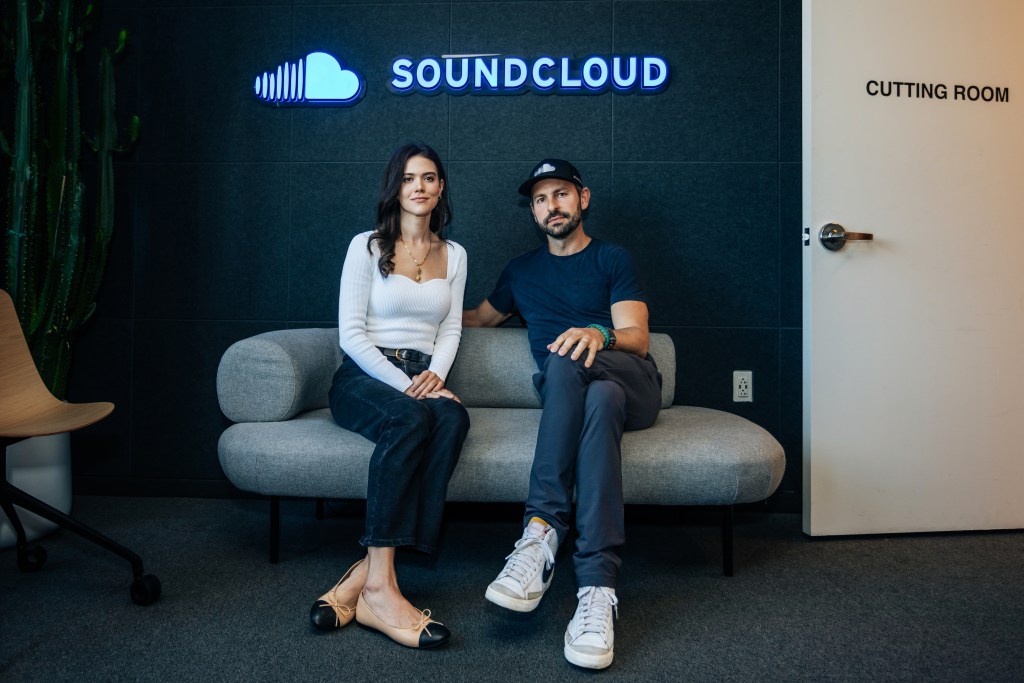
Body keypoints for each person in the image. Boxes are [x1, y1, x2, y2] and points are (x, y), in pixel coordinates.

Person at [463, 159, 662, 669]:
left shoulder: (612, 259)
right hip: (587, 395)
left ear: (583, 199)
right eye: (540, 199)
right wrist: (405, 313)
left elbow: (638, 340)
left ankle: (542, 528)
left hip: (633, 382)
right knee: (597, 398)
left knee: (570, 360)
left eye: (561, 194)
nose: (551, 206)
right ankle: (596, 586)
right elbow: (478, 319)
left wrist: (599, 334)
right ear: (533, 211)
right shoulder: (521, 271)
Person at [309, 143, 469, 650]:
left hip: (423, 374)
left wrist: (435, 379)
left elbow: (452, 329)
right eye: (407, 178)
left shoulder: (456, 254)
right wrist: (410, 388)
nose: (418, 186)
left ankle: (368, 574)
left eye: (428, 177)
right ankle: (381, 590)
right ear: (394, 188)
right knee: (410, 419)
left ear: (441, 187)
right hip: (365, 374)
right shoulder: (366, 245)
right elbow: (351, 335)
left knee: (452, 420)